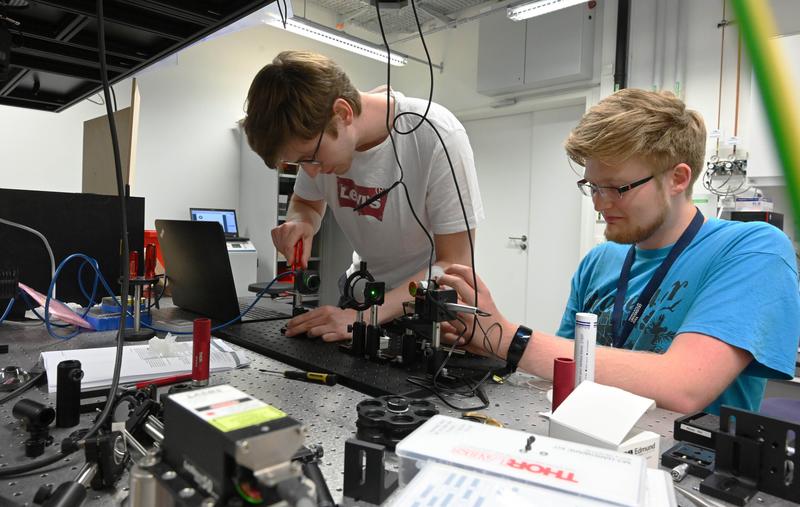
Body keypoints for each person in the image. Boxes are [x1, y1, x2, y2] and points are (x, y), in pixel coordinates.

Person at [439, 89, 799, 415]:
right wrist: (488, 344)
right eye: (592, 186)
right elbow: (563, 374)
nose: (599, 203)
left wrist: (509, 338)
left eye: (616, 188)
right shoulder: (599, 261)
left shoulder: (753, 250)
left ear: (678, 178)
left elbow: (684, 387)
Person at [242, 51, 484, 342]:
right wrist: (302, 222)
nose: (312, 172)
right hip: (361, 294)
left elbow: (455, 264)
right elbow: (306, 202)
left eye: (311, 158)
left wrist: (366, 317)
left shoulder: (436, 135)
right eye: (300, 163)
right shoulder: (319, 137)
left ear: (343, 113)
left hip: (424, 310)